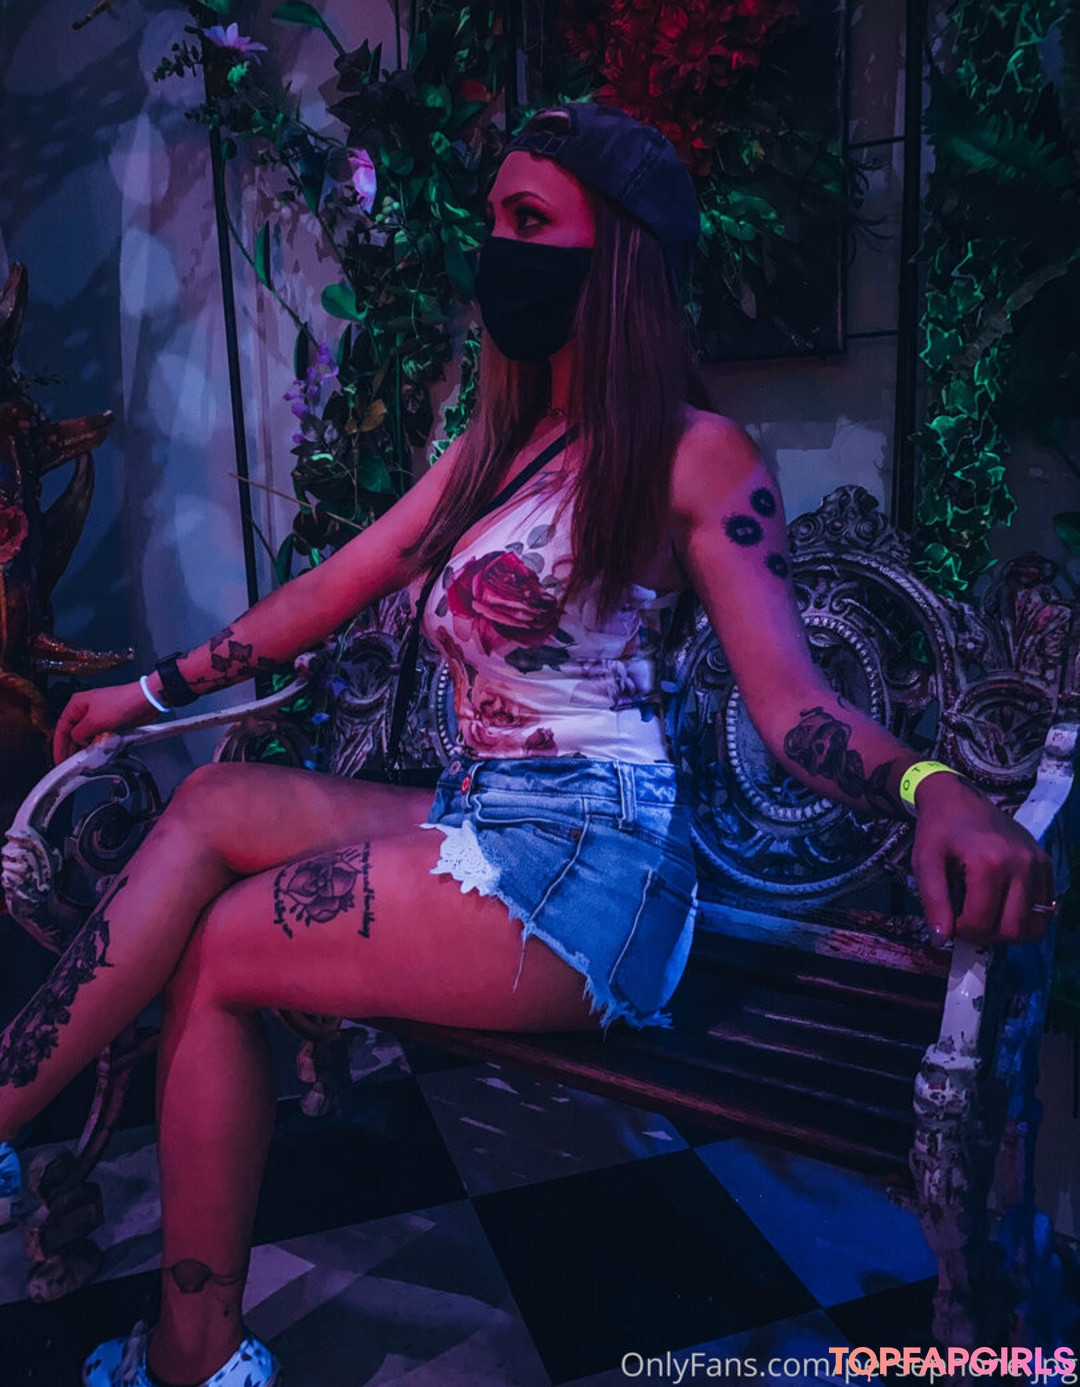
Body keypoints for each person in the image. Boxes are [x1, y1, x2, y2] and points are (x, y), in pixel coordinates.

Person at [0, 101, 1054, 1387]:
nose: (494, 247)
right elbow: (330, 586)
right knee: (211, 813)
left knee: (221, 953)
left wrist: (934, 784)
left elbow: (794, 707)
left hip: (594, 864)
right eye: (494, 217)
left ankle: (191, 1354)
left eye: (528, 219)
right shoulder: (500, 452)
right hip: (484, 810)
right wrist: (149, 691)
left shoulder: (696, 454)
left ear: (619, 257)